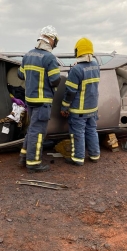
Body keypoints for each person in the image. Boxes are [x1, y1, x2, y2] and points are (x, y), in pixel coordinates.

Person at [17, 25, 61, 173]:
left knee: (31, 130)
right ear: (51, 39)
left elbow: (20, 75)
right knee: (38, 132)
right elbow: (55, 80)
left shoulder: (28, 55)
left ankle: (23, 158)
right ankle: (34, 163)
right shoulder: (49, 58)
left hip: (30, 99)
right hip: (43, 101)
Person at [60, 37, 100, 166]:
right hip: (92, 109)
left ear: (78, 51)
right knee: (91, 131)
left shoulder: (76, 70)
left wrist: (64, 107)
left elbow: (70, 92)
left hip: (79, 110)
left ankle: (78, 158)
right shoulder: (96, 66)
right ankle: (95, 155)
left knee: (78, 134)